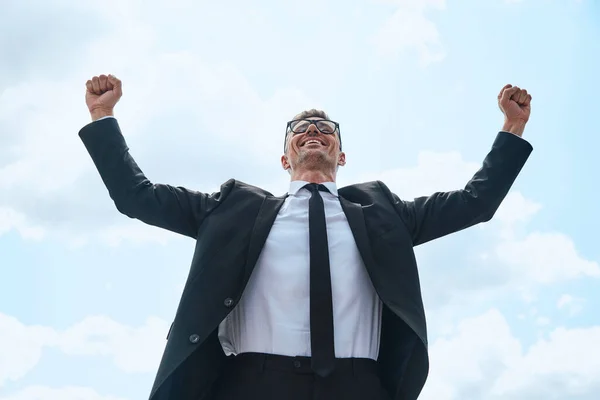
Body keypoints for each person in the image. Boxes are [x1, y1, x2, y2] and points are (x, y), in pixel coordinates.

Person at [79, 74, 533, 400]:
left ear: (341, 154)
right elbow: (138, 197)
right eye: (301, 129)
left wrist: (512, 128)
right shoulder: (233, 207)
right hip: (253, 384)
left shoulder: (384, 212)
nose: (314, 132)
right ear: (284, 159)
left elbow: (475, 203)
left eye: (325, 129)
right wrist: (102, 116)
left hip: (359, 386)